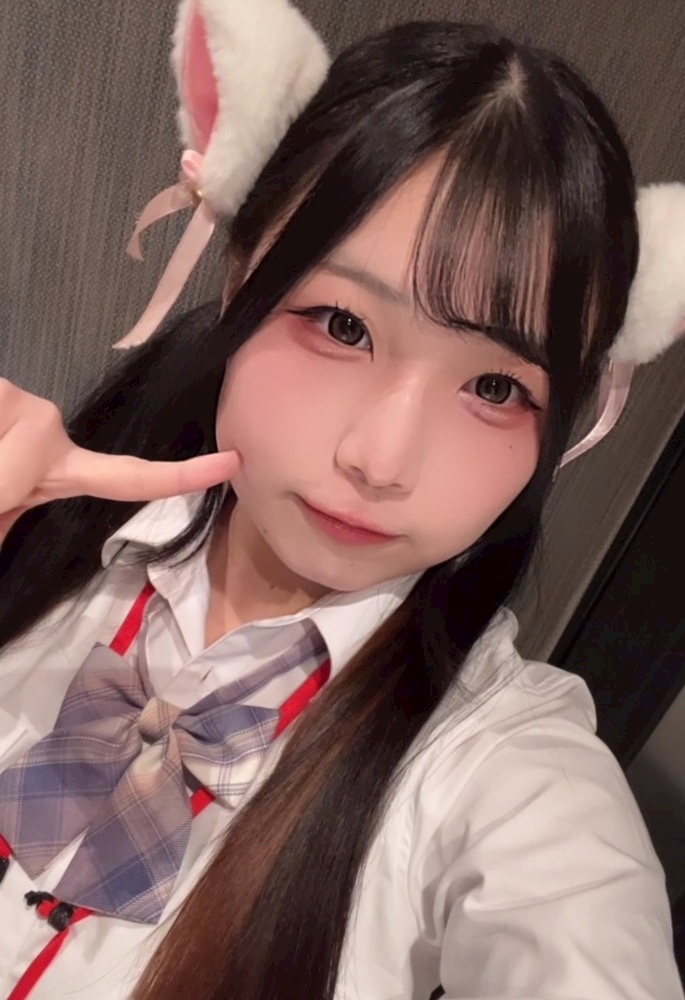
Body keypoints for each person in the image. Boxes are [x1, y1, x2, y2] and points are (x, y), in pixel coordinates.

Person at [0, 13, 682, 1000]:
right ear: (241, 270)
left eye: (496, 388)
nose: (379, 460)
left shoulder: (502, 771)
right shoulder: (43, 533)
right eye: (342, 324)